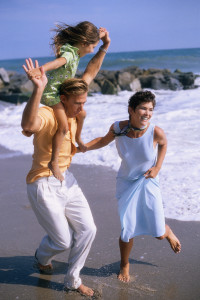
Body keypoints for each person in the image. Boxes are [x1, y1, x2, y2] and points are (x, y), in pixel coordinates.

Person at [21, 30, 110, 297]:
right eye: (78, 104)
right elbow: (27, 125)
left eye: (84, 102)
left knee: (89, 229)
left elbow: (90, 73)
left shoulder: (75, 107)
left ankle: (73, 280)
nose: (81, 108)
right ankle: (42, 255)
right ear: (63, 99)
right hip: (42, 182)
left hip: (65, 178)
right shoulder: (49, 115)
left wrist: (104, 47)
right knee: (61, 240)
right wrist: (37, 89)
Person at [80, 90, 181, 282]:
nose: (147, 113)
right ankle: (124, 264)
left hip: (148, 181)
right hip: (126, 183)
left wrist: (157, 167)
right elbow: (102, 140)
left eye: (151, 109)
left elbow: (164, 144)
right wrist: (82, 148)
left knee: (158, 234)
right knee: (128, 229)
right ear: (131, 110)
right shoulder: (118, 128)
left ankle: (167, 231)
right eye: (143, 108)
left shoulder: (155, 132)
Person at [25, 21, 107, 182]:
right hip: (52, 93)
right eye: (92, 47)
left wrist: (104, 39)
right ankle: (53, 162)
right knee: (63, 127)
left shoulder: (75, 51)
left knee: (82, 113)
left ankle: (78, 139)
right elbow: (58, 62)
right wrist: (41, 70)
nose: (92, 50)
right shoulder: (69, 55)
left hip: (60, 90)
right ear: (84, 43)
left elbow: (92, 70)